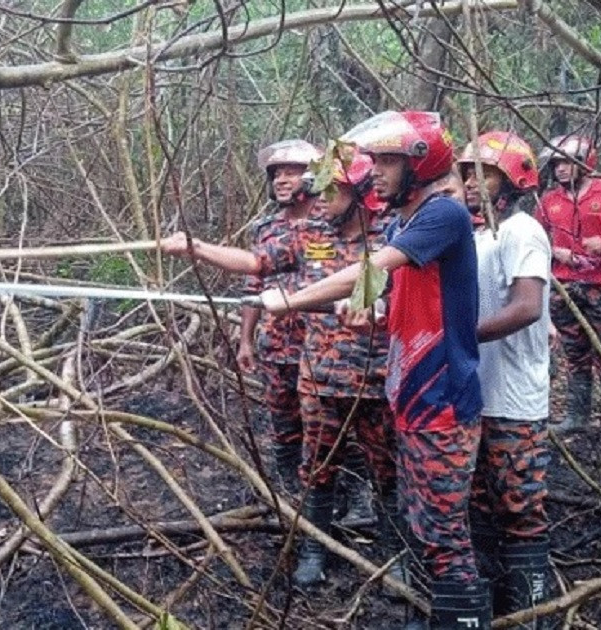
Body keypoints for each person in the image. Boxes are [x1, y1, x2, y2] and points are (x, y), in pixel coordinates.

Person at [252, 111, 489, 630]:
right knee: (426, 522)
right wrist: (370, 311)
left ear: (420, 166)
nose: (376, 171)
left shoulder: (442, 215)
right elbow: (400, 295)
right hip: (411, 394)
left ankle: (461, 619)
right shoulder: (407, 220)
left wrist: (292, 299)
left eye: (388, 161)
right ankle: (428, 615)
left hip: (444, 397)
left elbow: (370, 270)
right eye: (376, 160)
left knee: (443, 532)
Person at [161, 153, 391, 587]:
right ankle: (314, 549)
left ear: (361, 194)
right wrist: (197, 248)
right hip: (320, 379)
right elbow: (255, 264)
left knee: (389, 474)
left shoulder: (394, 238)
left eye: (332, 190)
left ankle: (393, 555)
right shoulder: (307, 234)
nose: (321, 199)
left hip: (379, 382)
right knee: (316, 470)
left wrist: (379, 303)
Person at [459, 132, 558, 628]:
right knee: (478, 505)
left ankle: (530, 614)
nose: (472, 184)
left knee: (520, 509)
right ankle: (490, 609)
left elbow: (526, 306)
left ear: (512, 179)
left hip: (514, 400)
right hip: (476, 394)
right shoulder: (478, 236)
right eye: (466, 173)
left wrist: (457, 336)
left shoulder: (522, 230)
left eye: (485, 173)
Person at [536, 135, 601, 452]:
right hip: (564, 286)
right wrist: (556, 251)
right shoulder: (549, 200)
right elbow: (536, 241)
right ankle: (577, 416)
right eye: (556, 164)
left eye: (566, 163)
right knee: (574, 354)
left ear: (584, 162)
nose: (561, 170)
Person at [242, 140, 323, 493]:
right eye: (276, 173)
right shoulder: (265, 228)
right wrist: (245, 338)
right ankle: (289, 491)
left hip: (324, 344)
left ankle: (350, 494)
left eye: (291, 172)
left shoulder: (332, 221)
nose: (281, 180)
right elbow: (252, 284)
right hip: (276, 343)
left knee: (326, 422)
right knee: (282, 419)